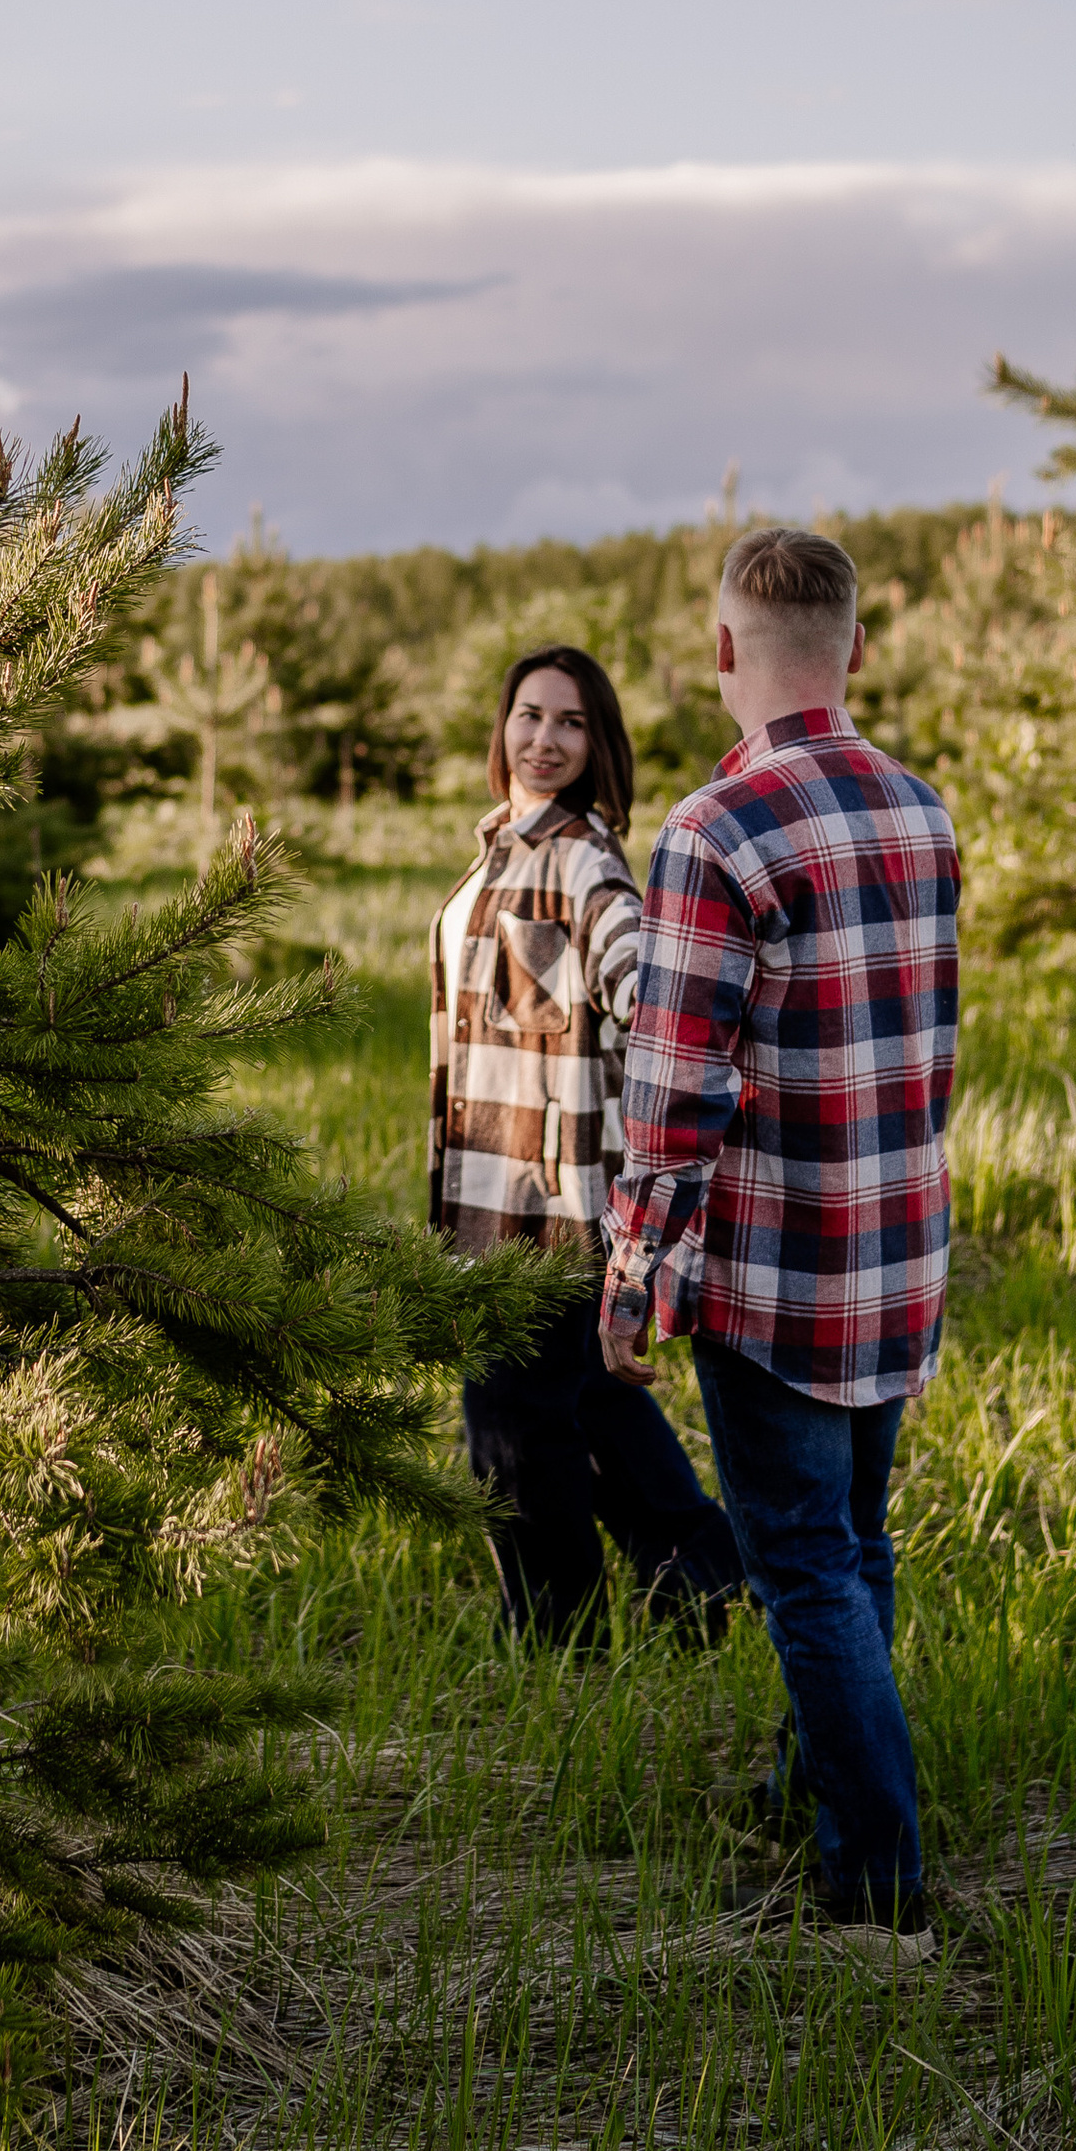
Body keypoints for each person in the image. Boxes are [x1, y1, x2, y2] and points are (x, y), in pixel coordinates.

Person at [599, 529, 959, 1950]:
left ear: (724, 653)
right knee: (854, 1550)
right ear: (856, 649)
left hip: (777, 1278)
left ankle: (878, 1893)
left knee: (805, 1567)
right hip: (895, 1254)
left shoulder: (714, 833)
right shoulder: (923, 813)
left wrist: (633, 1278)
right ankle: (818, 1793)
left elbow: (674, 1093)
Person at [431, 644, 745, 1644]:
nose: (545, 738)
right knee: (588, 1408)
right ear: (502, 727)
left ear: (597, 743)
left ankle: (559, 1649)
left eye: (570, 722)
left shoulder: (582, 859)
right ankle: (704, 1575)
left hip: (547, 1208)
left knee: (512, 1440)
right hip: (482, 1192)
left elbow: (642, 983)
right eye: (529, 715)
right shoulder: (496, 851)